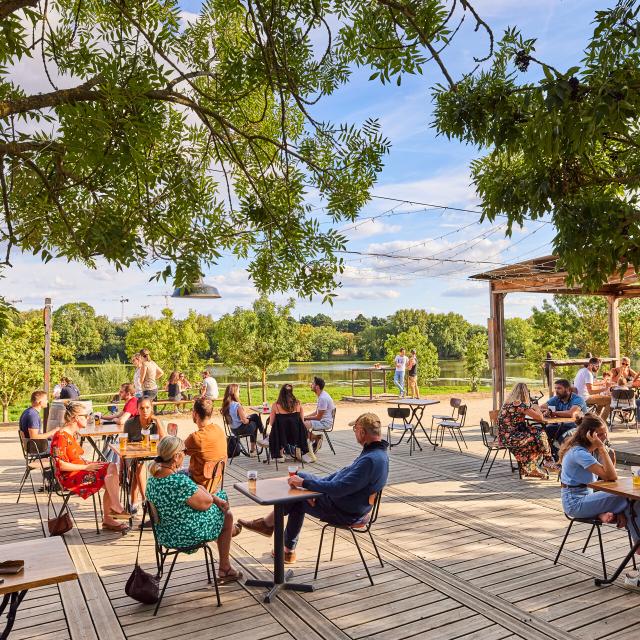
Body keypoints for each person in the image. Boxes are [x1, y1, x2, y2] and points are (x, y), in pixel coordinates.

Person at [239, 412, 389, 563]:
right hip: (348, 502)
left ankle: (276, 535)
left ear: (362, 432)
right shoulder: (377, 454)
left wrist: (308, 488)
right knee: (301, 476)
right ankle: (278, 537)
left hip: (345, 510)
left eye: (355, 429)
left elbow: (339, 488)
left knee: (298, 499)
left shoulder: (370, 461)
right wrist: (313, 488)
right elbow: (340, 477)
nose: (355, 433)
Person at [146, 436, 243, 583]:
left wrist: (203, 490)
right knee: (226, 514)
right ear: (176, 456)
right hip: (185, 535)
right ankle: (225, 567)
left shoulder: (152, 480)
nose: (185, 454)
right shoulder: (178, 481)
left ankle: (225, 532)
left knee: (220, 503)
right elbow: (206, 503)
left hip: (165, 533)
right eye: (184, 451)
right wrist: (206, 491)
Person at [559, 414, 640, 542]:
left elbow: (610, 479)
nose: (604, 437)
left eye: (605, 433)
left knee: (631, 501)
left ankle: (622, 521)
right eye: (600, 434)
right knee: (629, 497)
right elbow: (612, 476)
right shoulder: (579, 453)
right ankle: (637, 541)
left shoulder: (592, 450)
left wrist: (605, 452)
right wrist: (602, 448)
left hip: (589, 497)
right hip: (575, 503)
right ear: (589, 436)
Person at [51, 402, 130, 532]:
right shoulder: (61, 436)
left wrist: (88, 464)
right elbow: (60, 465)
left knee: (112, 468)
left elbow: (75, 459)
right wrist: (85, 468)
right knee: (110, 476)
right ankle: (111, 514)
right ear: (76, 418)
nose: (88, 418)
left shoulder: (71, 434)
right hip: (70, 477)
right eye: (86, 416)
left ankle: (112, 513)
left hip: (79, 470)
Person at [498, 382, 559, 479]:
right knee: (541, 434)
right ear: (525, 393)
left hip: (504, 437)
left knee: (535, 439)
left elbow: (528, 412)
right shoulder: (519, 404)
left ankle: (532, 469)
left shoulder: (509, 403)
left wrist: (535, 409)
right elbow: (540, 418)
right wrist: (535, 407)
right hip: (512, 437)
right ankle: (548, 460)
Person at [124, 397, 165, 510]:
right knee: (137, 465)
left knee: (138, 466)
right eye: (141, 408)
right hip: (132, 455)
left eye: (147, 407)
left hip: (151, 455)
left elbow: (164, 438)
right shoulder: (130, 423)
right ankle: (144, 499)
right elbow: (124, 446)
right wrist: (121, 467)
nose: (145, 410)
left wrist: (157, 420)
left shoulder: (155, 422)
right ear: (137, 409)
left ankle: (134, 502)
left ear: (151, 408)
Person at [184, 397, 227, 488]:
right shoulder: (219, 430)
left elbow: (176, 450)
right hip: (214, 482)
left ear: (195, 414)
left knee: (167, 477)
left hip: (198, 485)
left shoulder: (196, 437)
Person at [539, 379, 587, 457]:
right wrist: (546, 411)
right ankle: (555, 457)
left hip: (579, 427)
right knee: (543, 433)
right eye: (555, 388)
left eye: (559, 388)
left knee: (563, 437)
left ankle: (562, 458)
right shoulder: (556, 398)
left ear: (568, 389)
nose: (556, 391)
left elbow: (571, 413)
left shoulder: (578, 399)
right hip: (562, 426)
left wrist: (552, 413)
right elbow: (540, 408)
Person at [268, 384, 310, 463]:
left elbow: (271, 423)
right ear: (291, 392)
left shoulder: (275, 405)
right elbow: (301, 420)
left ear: (281, 392)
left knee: (278, 428)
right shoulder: (298, 403)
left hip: (282, 436)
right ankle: (302, 453)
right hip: (296, 435)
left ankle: (280, 454)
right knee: (289, 427)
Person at [220, 384, 266, 456]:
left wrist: (247, 417)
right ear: (234, 393)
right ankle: (259, 440)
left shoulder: (226, 405)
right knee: (255, 421)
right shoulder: (237, 405)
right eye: (239, 391)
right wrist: (248, 419)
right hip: (241, 429)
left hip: (233, 430)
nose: (239, 393)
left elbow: (236, 417)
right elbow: (244, 421)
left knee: (254, 416)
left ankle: (262, 436)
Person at [303, 377, 335, 454]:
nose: (311, 385)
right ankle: (313, 441)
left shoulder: (323, 398)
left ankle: (316, 438)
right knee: (301, 422)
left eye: (313, 383)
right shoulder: (322, 395)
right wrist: (304, 417)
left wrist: (305, 419)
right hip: (322, 420)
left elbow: (318, 417)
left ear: (317, 387)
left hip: (325, 422)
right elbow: (316, 412)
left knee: (301, 425)